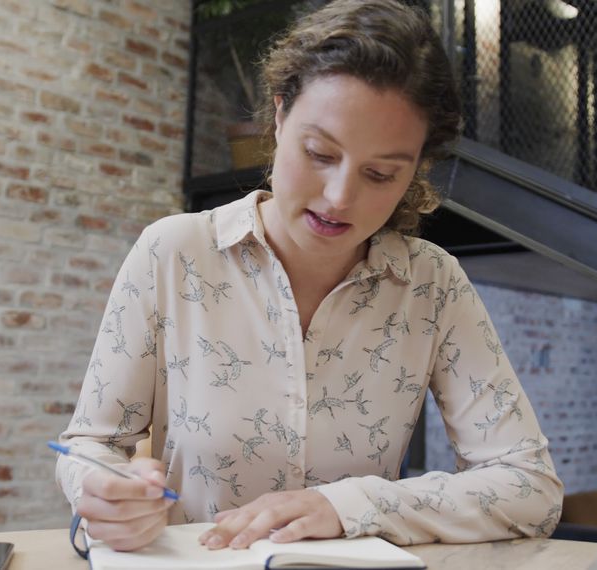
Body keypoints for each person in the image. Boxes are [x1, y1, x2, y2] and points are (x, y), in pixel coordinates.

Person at [56, 0, 563, 553]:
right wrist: (103, 495)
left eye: (380, 173)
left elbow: (529, 487)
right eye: (320, 152)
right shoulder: (175, 253)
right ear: (279, 116)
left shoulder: (432, 285)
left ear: (415, 168)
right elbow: (93, 445)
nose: (341, 197)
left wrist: (347, 506)